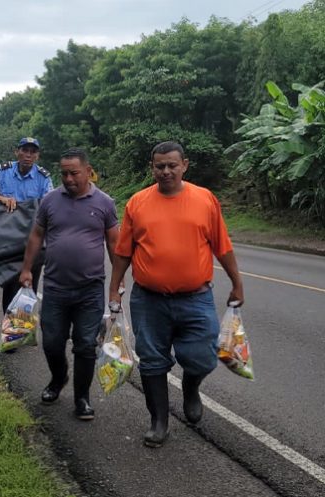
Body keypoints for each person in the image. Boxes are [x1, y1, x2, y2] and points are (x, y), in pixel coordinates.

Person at [108, 141, 245, 448]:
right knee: (153, 361)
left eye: (172, 165)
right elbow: (123, 252)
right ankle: (159, 422)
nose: (166, 171)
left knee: (202, 357)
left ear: (185, 164)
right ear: (152, 168)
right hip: (148, 299)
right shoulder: (137, 203)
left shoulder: (204, 199)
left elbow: (222, 246)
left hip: (195, 298)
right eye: (160, 166)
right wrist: (114, 288)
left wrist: (237, 283)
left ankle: (191, 387)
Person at [20, 148, 119, 420]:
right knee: (52, 343)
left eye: (74, 173)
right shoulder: (50, 200)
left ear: (88, 171)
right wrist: (27, 269)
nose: (68, 178)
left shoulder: (105, 203)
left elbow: (114, 243)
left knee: (86, 345)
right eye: (63, 173)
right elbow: (36, 235)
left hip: (90, 290)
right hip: (55, 288)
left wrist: (116, 285)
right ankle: (58, 378)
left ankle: (82, 398)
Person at [0, 137, 53, 313]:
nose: (28, 155)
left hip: (33, 239)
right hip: (8, 239)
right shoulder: (3, 171)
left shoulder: (43, 177)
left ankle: (22, 331)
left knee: (29, 285)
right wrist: (2, 198)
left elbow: (51, 204)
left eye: (32, 152)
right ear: (17, 152)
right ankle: (11, 331)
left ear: (37, 155)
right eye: (24, 150)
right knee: (11, 284)